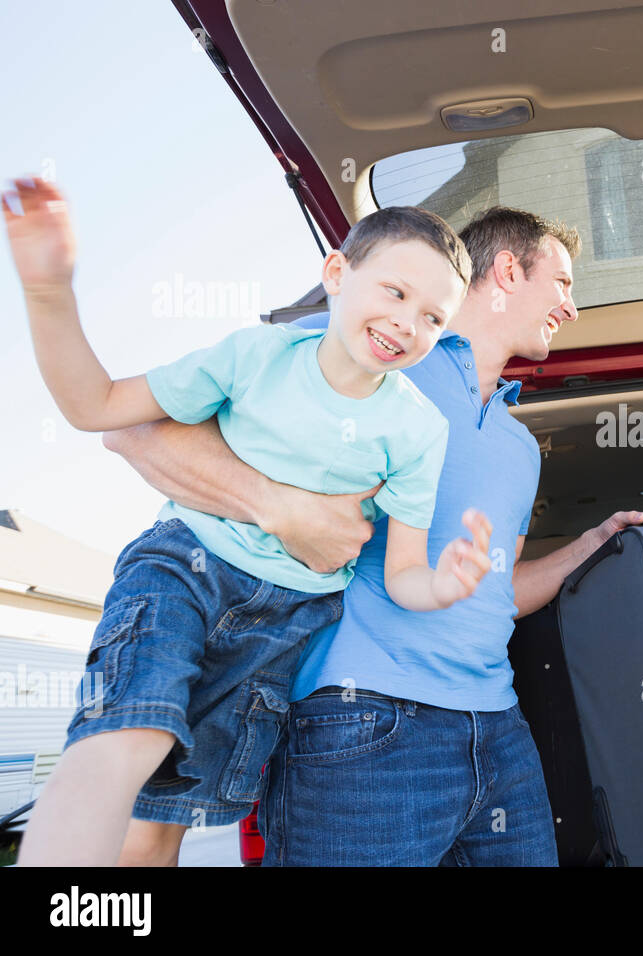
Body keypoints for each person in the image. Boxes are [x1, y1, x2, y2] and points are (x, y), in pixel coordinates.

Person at [103, 205, 643, 866]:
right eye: (563, 282)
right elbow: (134, 429)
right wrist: (281, 508)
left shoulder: (519, 446)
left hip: (500, 732)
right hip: (361, 724)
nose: (571, 305)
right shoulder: (374, 349)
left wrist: (591, 544)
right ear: (509, 268)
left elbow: (495, 597)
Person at [3, 178, 495, 866]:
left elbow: (406, 572)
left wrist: (443, 586)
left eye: (434, 317)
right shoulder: (254, 357)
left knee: (158, 826)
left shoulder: (417, 430)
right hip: (186, 572)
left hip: (283, 625)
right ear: (337, 273)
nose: (408, 323)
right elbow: (99, 406)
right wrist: (51, 292)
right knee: (126, 737)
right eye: (395, 292)